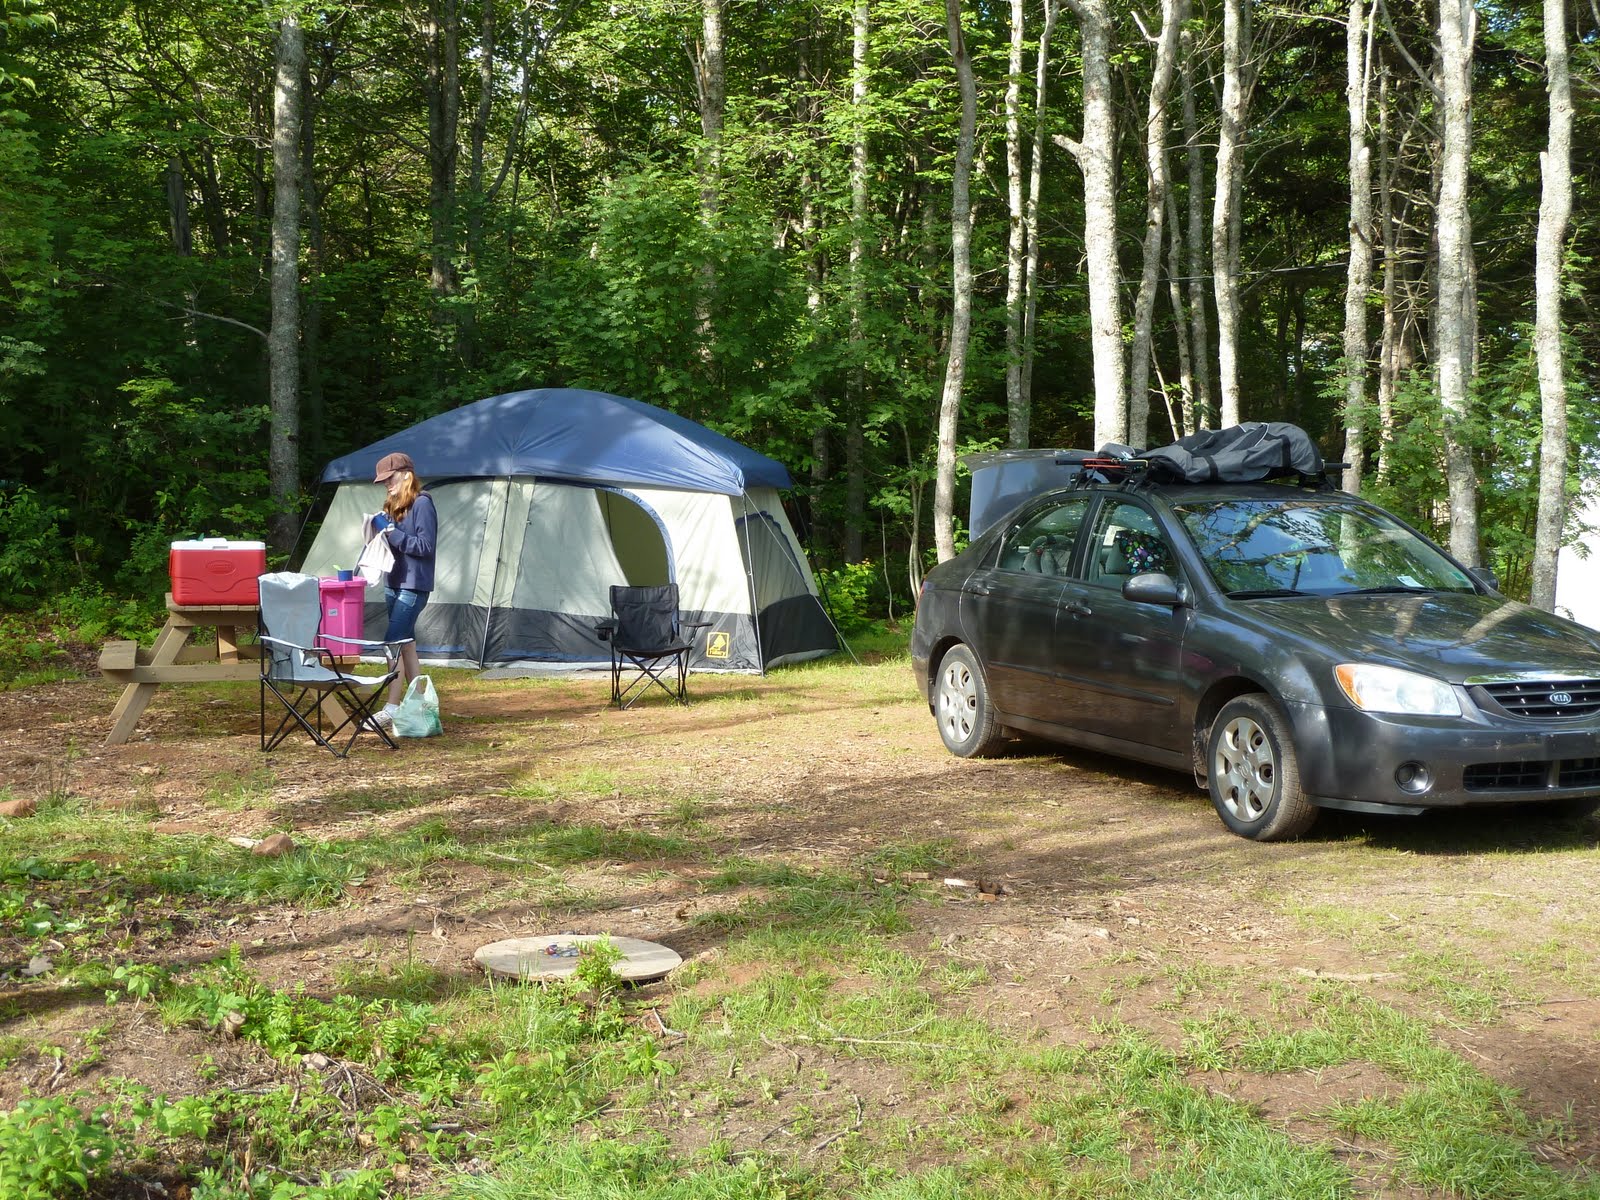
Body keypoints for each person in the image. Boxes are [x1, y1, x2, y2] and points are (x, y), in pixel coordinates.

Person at [366, 451, 436, 732]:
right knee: (406, 644)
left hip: (414, 585)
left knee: (393, 643)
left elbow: (425, 547)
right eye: (383, 481)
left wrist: (393, 534)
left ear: (406, 474)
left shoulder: (423, 504)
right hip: (394, 582)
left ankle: (391, 709)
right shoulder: (396, 505)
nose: (386, 484)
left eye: (389, 478)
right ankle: (421, 706)